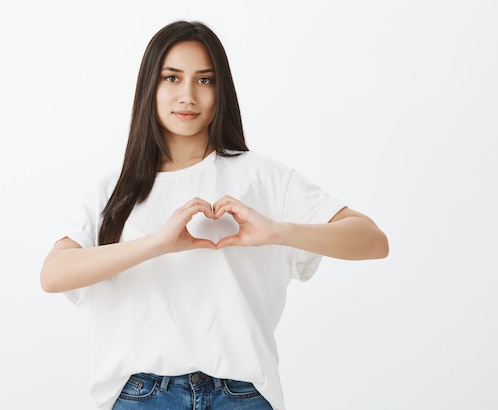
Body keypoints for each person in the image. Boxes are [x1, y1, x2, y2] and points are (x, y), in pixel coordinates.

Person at [40, 20, 388, 410]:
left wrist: (279, 232)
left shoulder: (261, 175)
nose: (187, 95)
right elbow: (53, 274)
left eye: (205, 81)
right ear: (149, 88)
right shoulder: (113, 191)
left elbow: (372, 240)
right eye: (172, 78)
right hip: (142, 396)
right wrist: (157, 244)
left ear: (221, 91)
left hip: (241, 395)